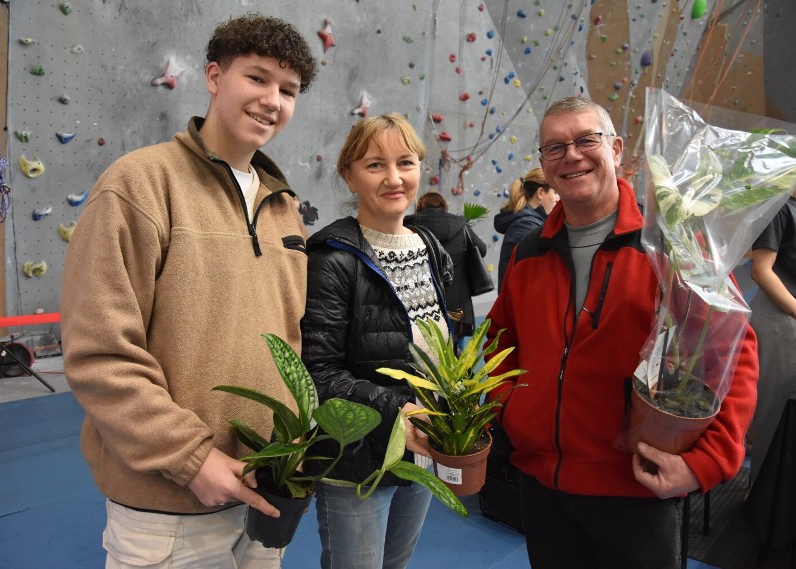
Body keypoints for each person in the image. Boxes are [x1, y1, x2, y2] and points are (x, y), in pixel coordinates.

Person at [59, 14, 317, 568]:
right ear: (214, 76)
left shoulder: (285, 207)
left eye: (288, 90)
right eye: (258, 78)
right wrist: (191, 457)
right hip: (168, 506)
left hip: (264, 493)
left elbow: (290, 340)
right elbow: (99, 352)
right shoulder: (140, 184)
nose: (273, 99)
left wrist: (293, 450)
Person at [483, 96, 759, 569]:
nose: (571, 155)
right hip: (543, 488)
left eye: (585, 140)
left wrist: (705, 462)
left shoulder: (671, 244)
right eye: (554, 147)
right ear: (544, 167)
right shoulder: (531, 250)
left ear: (616, 149)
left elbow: (732, 354)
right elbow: (498, 346)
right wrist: (512, 410)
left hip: (635, 488)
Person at [300, 113, 454, 569]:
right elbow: (319, 372)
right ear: (348, 174)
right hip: (357, 453)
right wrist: (395, 410)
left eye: (405, 162)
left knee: (397, 562)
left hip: (422, 442)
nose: (394, 178)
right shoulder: (333, 258)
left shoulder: (429, 247)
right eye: (374, 165)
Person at [748, 165, 796, 480]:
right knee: (775, 412)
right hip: (782, 315)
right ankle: (760, 497)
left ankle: (786, 495)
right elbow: (761, 270)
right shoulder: (779, 207)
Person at [404, 191, 487, 341]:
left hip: (420, 302)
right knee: (459, 355)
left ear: (419, 207)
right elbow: (482, 249)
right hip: (458, 304)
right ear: (443, 206)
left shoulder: (409, 226)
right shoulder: (461, 225)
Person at [493, 167, 559, 288]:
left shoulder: (528, 221)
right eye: (555, 192)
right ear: (540, 193)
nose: (557, 199)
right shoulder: (526, 224)